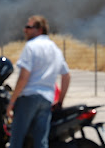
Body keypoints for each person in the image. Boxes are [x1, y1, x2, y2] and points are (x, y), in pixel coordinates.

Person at [6, 15, 71, 148]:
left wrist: (12, 101)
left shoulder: (31, 46)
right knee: (41, 142)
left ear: (39, 30)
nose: (25, 30)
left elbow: (24, 77)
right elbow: (66, 76)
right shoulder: (55, 49)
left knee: (16, 140)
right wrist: (60, 101)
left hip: (28, 97)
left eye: (29, 27)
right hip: (47, 99)